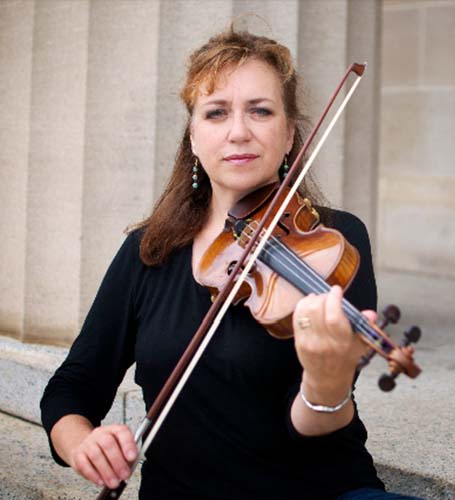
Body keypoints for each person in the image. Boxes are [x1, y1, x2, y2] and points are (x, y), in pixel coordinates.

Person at [41, 28, 422, 500]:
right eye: (216, 112)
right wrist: (82, 443)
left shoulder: (333, 242)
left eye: (260, 111)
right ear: (195, 138)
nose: (238, 130)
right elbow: (72, 386)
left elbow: (309, 425)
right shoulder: (148, 251)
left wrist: (327, 383)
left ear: (288, 136)